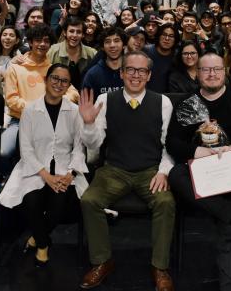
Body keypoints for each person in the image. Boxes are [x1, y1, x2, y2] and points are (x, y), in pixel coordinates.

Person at [78, 51, 176, 291]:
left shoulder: (163, 102)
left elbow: (169, 145)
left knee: (165, 203)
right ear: (121, 73)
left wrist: (163, 172)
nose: (136, 75)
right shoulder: (104, 100)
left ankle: (159, 267)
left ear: (149, 75)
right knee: (89, 200)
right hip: (114, 169)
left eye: (142, 71)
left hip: (150, 170)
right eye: (130, 69)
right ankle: (102, 261)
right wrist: (89, 123)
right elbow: (94, 144)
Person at [167, 51, 231, 290]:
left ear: (225, 72)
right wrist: (202, 152)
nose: (211, 74)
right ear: (197, 73)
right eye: (206, 70)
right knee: (176, 174)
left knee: (227, 229)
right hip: (202, 172)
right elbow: (173, 144)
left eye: (217, 69)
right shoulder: (187, 103)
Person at [0, 64, 89, 267]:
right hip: (35, 168)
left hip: (65, 169)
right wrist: (46, 176)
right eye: (55, 78)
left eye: (64, 81)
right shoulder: (30, 109)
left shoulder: (74, 111)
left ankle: (38, 238)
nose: (59, 84)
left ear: (68, 86)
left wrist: (70, 174)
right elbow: (26, 149)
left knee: (58, 206)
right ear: (46, 80)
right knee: (31, 201)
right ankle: (43, 244)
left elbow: (79, 148)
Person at [4, 25, 55, 164]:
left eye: (46, 41)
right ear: (31, 42)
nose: (42, 44)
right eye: (38, 40)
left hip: (49, 121)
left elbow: (72, 93)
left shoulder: (53, 69)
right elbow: (12, 100)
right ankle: (4, 181)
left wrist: (54, 105)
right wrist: (37, 108)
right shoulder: (15, 68)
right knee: (4, 151)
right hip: (20, 120)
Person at [47, 17, 97, 89]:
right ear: (64, 32)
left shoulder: (92, 53)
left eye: (79, 32)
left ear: (83, 35)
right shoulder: (52, 51)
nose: (75, 35)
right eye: (71, 31)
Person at [81, 28, 125, 98]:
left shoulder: (132, 71)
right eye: (107, 42)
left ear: (124, 45)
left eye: (117, 41)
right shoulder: (92, 74)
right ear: (102, 48)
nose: (112, 45)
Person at [144, 23, 177, 93]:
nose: (167, 38)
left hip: (168, 98)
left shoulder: (177, 55)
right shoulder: (146, 51)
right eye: (164, 35)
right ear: (159, 36)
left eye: (171, 36)